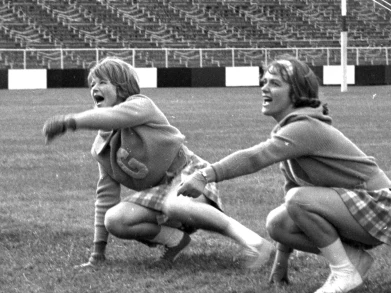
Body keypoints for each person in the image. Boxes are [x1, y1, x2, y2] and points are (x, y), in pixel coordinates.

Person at [176, 55, 391, 293]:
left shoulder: (304, 127)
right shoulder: (290, 130)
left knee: (299, 199)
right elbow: (291, 195)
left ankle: (344, 270)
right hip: (355, 210)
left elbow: (255, 157)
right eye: (264, 81)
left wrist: (205, 176)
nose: (264, 88)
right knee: (277, 223)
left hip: (380, 205)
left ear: (296, 92)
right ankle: (353, 258)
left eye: (275, 83)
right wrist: (281, 262)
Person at [43, 57, 274, 269]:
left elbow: (115, 117)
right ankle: (175, 241)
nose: (95, 88)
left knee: (176, 204)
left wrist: (70, 122)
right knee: (115, 219)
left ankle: (255, 243)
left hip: (190, 175)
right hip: (160, 194)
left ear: (122, 88)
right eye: (92, 84)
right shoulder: (102, 146)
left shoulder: (141, 105)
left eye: (103, 82)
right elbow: (105, 196)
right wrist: (97, 253)